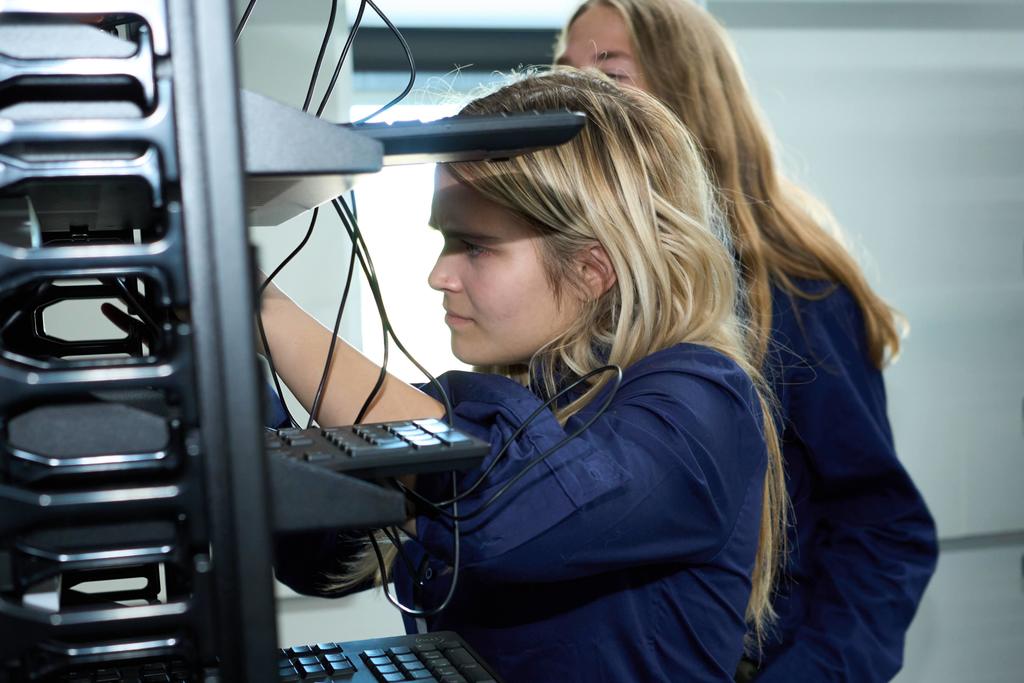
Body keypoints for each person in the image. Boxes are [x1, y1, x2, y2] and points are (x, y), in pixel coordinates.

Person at [264, 69, 788, 682]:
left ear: (593, 270)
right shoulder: (500, 402)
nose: (440, 275)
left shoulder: (700, 403)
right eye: (443, 240)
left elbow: (499, 511)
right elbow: (316, 553)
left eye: (476, 246)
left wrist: (266, 311)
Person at [556, 2, 938, 681]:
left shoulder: (795, 289)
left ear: (685, 94)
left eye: (611, 74)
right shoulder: (573, 279)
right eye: (565, 72)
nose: (578, 94)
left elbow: (881, 529)